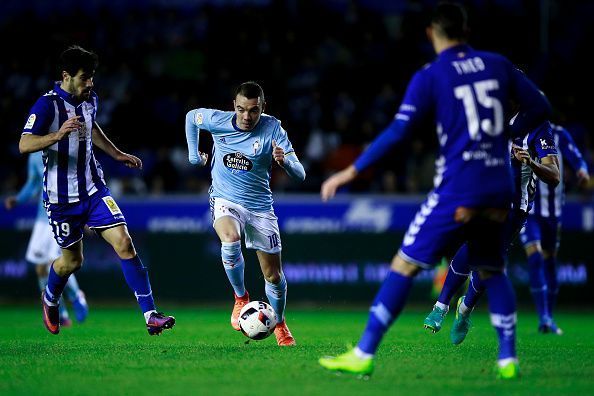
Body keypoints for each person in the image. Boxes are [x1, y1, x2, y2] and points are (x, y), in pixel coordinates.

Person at [318, 2, 551, 379]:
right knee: (492, 270)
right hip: (499, 189)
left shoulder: (431, 75)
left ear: (431, 33)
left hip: (459, 187)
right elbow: (541, 107)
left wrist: (350, 171)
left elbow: (398, 131)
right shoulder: (497, 64)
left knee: (404, 265)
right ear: (466, 30)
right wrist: (506, 133)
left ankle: (364, 352)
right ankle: (508, 359)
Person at [18, 45, 175, 336]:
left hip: (94, 190)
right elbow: (24, 144)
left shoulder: (90, 99)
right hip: (61, 199)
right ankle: (50, 298)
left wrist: (116, 154)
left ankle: (151, 315)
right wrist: (58, 134)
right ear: (66, 76)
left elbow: (91, 128)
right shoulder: (46, 106)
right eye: (83, 78)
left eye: (91, 77)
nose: (89, 83)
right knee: (72, 262)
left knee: (125, 243)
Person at [185, 81, 306, 346]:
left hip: (261, 207)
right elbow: (191, 117)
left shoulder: (273, 128)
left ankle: (280, 323)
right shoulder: (218, 120)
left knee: (273, 275)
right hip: (225, 199)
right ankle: (241, 298)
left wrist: (284, 162)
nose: (246, 117)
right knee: (229, 239)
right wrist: (194, 156)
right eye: (241, 109)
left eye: (253, 111)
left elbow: (301, 174)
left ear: (263, 108)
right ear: (234, 106)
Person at [423, 120, 559, 346]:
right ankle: (440, 306)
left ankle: (464, 310)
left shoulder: (537, 128)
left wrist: (530, 161)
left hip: (515, 210)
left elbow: (554, 175)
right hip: (486, 198)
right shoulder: (490, 117)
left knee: (488, 263)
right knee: (472, 246)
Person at [519, 124, 589, 334]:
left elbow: (575, 156)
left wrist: (582, 170)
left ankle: (548, 316)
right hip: (529, 211)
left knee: (550, 261)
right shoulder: (520, 132)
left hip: (553, 213)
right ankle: (543, 316)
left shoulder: (558, 134)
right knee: (536, 257)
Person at [4, 151, 89, 326]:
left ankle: (76, 296)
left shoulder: (63, 147)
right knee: (41, 269)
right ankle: (60, 312)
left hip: (63, 214)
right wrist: (18, 199)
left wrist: (85, 214)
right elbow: (33, 183)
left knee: (56, 262)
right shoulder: (34, 154)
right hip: (43, 218)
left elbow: (79, 180)